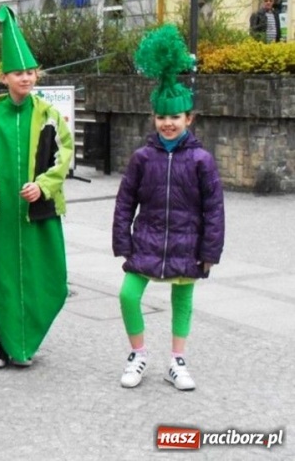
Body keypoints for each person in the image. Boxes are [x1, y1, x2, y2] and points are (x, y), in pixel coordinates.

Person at [113, 24, 225, 391]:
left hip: (186, 243)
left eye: (175, 117)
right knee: (128, 294)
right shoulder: (143, 157)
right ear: (154, 119)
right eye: (162, 117)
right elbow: (126, 199)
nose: (168, 123)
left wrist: (209, 251)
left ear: (189, 119)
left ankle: (177, 360)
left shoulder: (202, 161)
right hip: (146, 240)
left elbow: (214, 209)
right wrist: (122, 241)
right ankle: (138, 353)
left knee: (183, 298)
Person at [0, 5, 73, 369]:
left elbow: (64, 154)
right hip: (1, 215)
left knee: (45, 277)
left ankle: (27, 339)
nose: (25, 78)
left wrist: (43, 186)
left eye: (30, 72)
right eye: (17, 73)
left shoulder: (50, 114)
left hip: (37, 215)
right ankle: (4, 342)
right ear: (3, 76)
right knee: (2, 278)